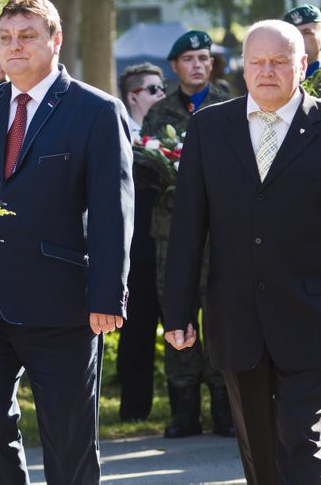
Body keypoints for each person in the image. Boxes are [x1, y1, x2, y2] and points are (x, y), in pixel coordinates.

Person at [163, 19, 321, 483]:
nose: (267, 71)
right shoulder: (208, 127)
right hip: (237, 318)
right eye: (257, 62)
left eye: (280, 61)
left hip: (315, 318)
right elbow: (188, 226)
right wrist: (178, 311)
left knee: (301, 444)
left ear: (302, 65)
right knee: (260, 457)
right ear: (243, 69)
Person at [0, 0, 134, 483]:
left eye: (28, 36)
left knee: (69, 439)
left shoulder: (96, 111)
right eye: (7, 37)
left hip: (64, 308)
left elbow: (111, 213)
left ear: (55, 40)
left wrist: (107, 294)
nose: (15, 47)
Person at [142, 31, 235, 439]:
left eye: (204, 58)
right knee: (176, 314)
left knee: (221, 316)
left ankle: (226, 409)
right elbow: (143, 166)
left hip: (222, 234)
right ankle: (184, 412)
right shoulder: (158, 113)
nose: (198, 65)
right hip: (171, 232)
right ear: (174, 66)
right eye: (189, 59)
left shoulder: (231, 106)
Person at [116, 63, 165, 422]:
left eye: (163, 88)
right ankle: (135, 409)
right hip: (135, 249)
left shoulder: (170, 133)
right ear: (133, 96)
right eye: (153, 89)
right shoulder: (118, 133)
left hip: (168, 244)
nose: (161, 95)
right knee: (136, 331)